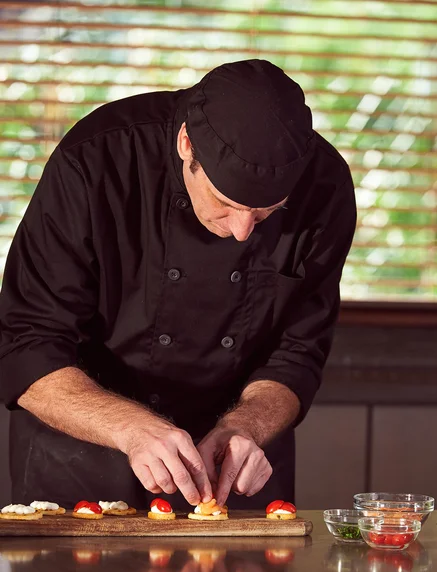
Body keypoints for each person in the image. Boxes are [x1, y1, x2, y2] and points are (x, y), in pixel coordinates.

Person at [0, 59, 356, 510]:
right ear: (186, 143)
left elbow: (297, 353)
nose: (244, 230)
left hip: (234, 467)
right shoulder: (94, 161)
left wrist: (246, 427)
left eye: (268, 213)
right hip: (85, 458)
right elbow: (25, 343)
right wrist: (130, 427)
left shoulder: (327, 188)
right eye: (226, 203)